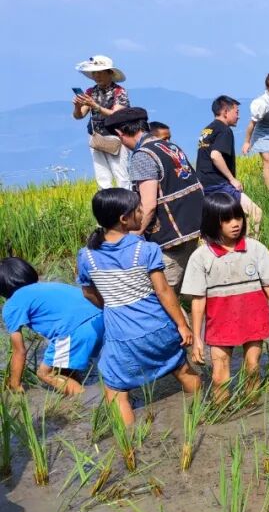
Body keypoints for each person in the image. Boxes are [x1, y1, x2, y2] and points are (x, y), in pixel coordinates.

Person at [77, 189, 201, 426]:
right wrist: (182, 326)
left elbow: (88, 293)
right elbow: (164, 292)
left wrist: (111, 306)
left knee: (115, 390)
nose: (143, 211)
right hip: (158, 327)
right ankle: (201, 418)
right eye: (138, 209)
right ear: (124, 219)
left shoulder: (87, 256)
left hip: (122, 335)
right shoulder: (145, 249)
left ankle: (130, 446)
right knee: (182, 369)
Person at [181, 192, 269, 403]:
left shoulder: (254, 249)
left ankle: (251, 407)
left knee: (252, 367)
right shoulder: (202, 256)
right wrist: (197, 338)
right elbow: (198, 301)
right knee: (219, 375)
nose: (235, 224)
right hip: (220, 323)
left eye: (238, 218)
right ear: (213, 223)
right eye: (227, 220)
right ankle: (222, 414)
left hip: (254, 318)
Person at [106, 107, 205, 289]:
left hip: (170, 234)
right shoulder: (170, 146)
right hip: (194, 224)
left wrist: (133, 236)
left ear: (121, 133)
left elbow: (149, 204)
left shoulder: (143, 155)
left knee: (163, 294)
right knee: (191, 288)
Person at [1, 257, 104, 396]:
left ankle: (86, 401)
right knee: (63, 366)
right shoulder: (49, 285)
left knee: (46, 373)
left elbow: (19, 351)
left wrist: (15, 385)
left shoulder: (12, 305)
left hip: (74, 330)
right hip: (102, 319)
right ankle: (76, 387)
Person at [195, 96, 263, 237]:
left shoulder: (207, 130)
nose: (238, 116)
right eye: (236, 112)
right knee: (255, 213)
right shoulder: (224, 130)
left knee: (221, 224)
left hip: (204, 186)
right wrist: (232, 179)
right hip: (219, 184)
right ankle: (248, 250)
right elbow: (215, 155)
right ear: (226, 112)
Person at [72, 55, 131, 190]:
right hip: (96, 137)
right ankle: (106, 207)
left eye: (100, 72)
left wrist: (95, 106)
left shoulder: (119, 92)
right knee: (102, 177)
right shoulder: (90, 92)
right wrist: (77, 105)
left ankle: (128, 206)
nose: (96, 76)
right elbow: (79, 115)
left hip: (117, 137)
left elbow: (116, 114)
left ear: (109, 73)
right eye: (94, 73)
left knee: (121, 176)